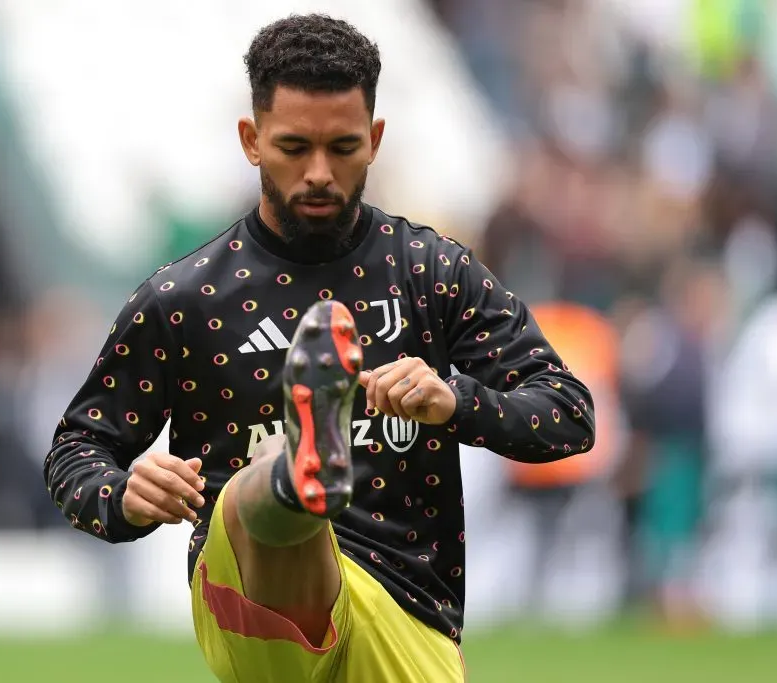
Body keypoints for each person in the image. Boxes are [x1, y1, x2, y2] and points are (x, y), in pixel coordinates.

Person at [44, 14, 595, 682]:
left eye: (342, 147)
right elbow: (75, 451)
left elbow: (568, 413)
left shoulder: (430, 271)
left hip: (405, 609)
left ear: (376, 140)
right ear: (250, 139)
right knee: (252, 498)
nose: (318, 173)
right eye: (293, 146)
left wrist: (456, 401)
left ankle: (298, 467)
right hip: (249, 593)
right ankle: (297, 474)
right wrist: (121, 492)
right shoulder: (182, 297)